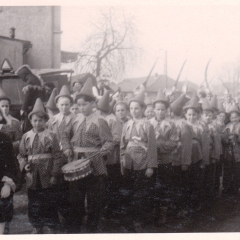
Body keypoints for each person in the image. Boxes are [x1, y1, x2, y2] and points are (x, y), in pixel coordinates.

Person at [68, 78, 114, 233]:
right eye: (79, 105)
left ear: (93, 104)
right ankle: (75, 228)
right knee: (76, 198)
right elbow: (64, 136)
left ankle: (92, 229)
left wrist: (100, 153)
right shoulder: (75, 120)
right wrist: (67, 148)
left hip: (95, 164)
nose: (81, 108)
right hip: (76, 163)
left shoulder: (100, 121)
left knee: (94, 199)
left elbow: (109, 142)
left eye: (85, 104)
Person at [18, 98, 62, 234]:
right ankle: (37, 225)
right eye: (35, 120)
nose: (37, 123)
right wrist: (24, 166)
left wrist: (54, 174)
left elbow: (57, 156)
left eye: (41, 120)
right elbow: (21, 155)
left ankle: (51, 226)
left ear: (45, 121)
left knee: (49, 201)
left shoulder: (51, 136)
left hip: (47, 174)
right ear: (31, 121)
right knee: (34, 202)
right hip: (32, 176)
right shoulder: (26, 136)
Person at [120, 89, 157, 232]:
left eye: (137, 108)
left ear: (143, 109)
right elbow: (122, 145)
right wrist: (122, 161)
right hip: (129, 163)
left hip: (142, 163)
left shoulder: (148, 125)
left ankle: (138, 220)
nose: (134, 111)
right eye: (131, 108)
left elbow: (152, 147)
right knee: (128, 192)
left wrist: (150, 166)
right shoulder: (127, 124)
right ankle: (130, 219)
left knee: (140, 193)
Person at [47, 85, 75, 232]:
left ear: (71, 105)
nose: (64, 107)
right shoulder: (52, 121)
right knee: (56, 188)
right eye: (62, 105)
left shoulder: (75, 119)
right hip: (56, 159)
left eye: (67, 104)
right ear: (57, 105)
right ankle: (57, 218)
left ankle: (70, 219)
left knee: (70, 190)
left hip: (71, 158)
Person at [149, 89, 178, 224]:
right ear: (153, 110)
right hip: (150, 161)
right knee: (151, 185)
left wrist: (158, 144)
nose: (160, 112)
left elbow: (174, 143)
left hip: (165, 161)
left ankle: (163, 213)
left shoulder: (171, 125)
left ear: (166, 110)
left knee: (164, 186)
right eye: (157, 109)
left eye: (162, 110)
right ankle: (152, 211)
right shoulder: (148, 123)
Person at [182, 94, 204, 213]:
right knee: (185, 180)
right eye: (189, 114)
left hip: (196, 156)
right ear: (185, 115)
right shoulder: (182, 125)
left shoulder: (200, 127)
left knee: (196, 180)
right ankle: (185, 204)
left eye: (194, 114)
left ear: (198, 115)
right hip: (185, 155)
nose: (191, 117)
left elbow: (203, 143)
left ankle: (195, 203)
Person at [16, 65, 43, 133]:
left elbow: (27, 96)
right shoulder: (34, 78)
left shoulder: (29, 81)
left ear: (23, 75)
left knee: (28, 129)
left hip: (31, 109)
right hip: (38, 107)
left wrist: (23, 109)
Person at [223, 103, 240, 195]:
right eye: (232, 118)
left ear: (239, 117)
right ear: (229, 118)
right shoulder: (227, 126)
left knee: (237, 170)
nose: (234, 119)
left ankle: (236, 187)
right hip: (229, 151)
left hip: (238, 151)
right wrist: (226, 139)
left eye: (236, 117)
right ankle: (227, 187)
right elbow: (224, 138)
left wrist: (237, 137)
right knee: (228, 169)